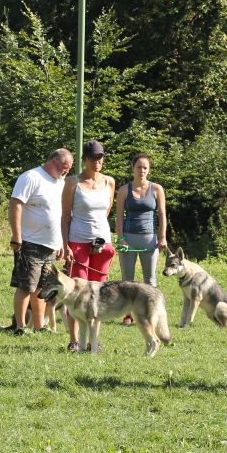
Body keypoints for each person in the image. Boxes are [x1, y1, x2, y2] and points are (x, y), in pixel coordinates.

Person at [8, 149, 73, 336]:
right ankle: (20, 327)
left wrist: (61, 242)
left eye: (68, 169)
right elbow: (15, 204)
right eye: (64, 168)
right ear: (53, 161)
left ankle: (39, 326)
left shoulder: (60, 182)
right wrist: (16, 235)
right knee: (26, 286)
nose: (65, 172)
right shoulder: (31, 177)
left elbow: (59, 214)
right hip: (30, 242)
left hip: (51, 244)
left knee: (42, 288)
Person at [61, 141, 116, 350]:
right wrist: (65, 246)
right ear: (84, 159)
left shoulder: (109, 182)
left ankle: (94, 341)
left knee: (98, 296)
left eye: (100, 157)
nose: (97, 162)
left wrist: (100, 238)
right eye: (93, 158)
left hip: (102, 245)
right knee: (77, 293)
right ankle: (75, 340)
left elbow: (106, 212)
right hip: (77, 242)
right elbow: (65, 217)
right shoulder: (72, 183)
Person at [114, 152, 168, 298]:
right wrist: (121, 239)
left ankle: (152, 313)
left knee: (150, 280)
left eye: (145, 168)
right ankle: (128, 315)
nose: (142, 170)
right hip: (128, 238)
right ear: (133, 168)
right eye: (139, 167)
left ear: (149, 169)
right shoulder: (124, 190)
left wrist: (162, 237)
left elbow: (162, 215)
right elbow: (119, 217)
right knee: (127, 280)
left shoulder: (156, 189)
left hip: (149, 239)